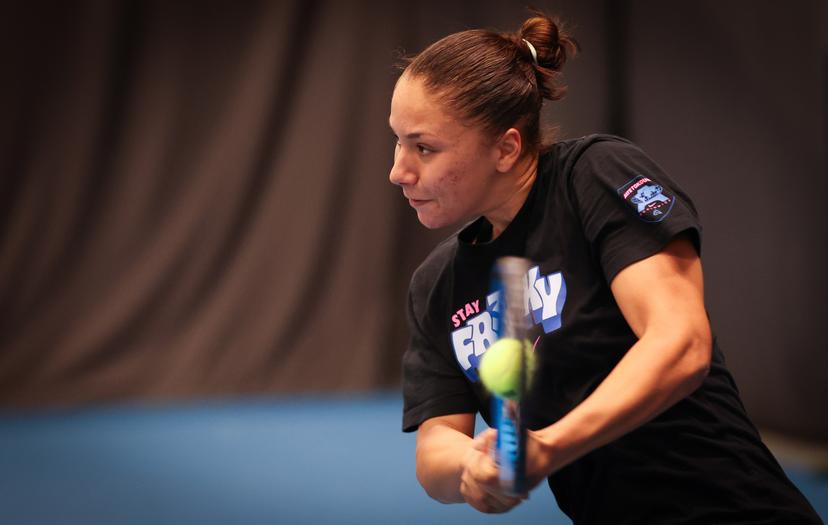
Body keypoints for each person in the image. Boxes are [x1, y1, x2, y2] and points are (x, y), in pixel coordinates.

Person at [389, 11, 822, 525]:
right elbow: (437, 443)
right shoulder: (438, 284)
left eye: (424, 147)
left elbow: (681, 344)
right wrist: (470, 468)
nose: (398, 171)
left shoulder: (594, 178)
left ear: (505, 148)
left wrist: (550, 446)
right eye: (398, 141)